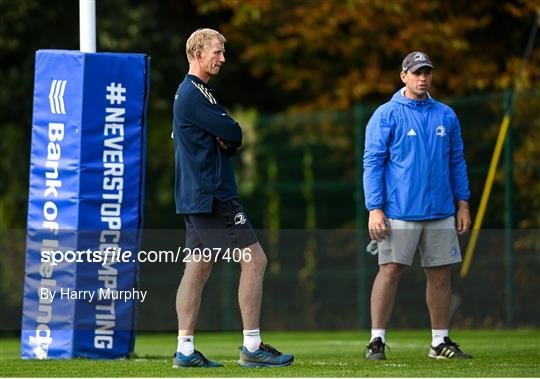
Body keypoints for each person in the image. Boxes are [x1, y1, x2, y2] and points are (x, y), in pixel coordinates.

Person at [170, 28, 293, 368]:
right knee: (255, 261)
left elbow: (227, 137)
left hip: (197, 194)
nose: (223, 58)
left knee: (197, 267)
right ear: (198, 54)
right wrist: (226, 137)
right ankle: (252, 347)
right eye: (217, 52)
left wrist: (226, 138)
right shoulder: (194, 94)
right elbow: (233, 132)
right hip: (213, 195)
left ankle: (184, 350)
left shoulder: (194, 93)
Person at [363, 51, 473, 360]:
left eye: (426, 72)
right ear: (404, 76)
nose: (422, 77)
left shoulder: (446, 114)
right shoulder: (386, 114)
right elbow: (372, 163)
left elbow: (456, 162)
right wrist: (375, 207)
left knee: (440, 274)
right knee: (390, 270)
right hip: (398, 211)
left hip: (440, 210)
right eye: (416, 72)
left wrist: (462, 204)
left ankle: (439, 342)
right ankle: (376, 341)